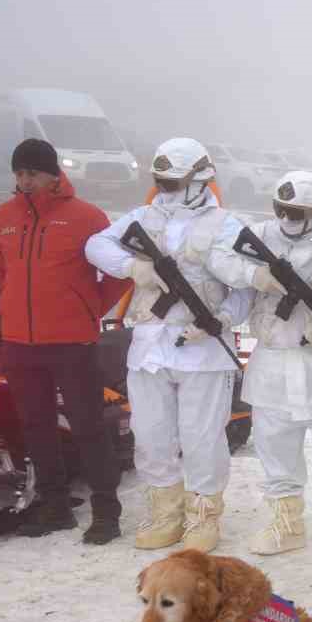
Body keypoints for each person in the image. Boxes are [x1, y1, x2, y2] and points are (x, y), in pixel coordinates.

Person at [85, 137, 250, 552]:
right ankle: (165, 513)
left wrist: (223, 320)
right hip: (150, 345)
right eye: (161, 181)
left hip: (203, 348)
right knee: (150, 433)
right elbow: (95, 245)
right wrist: (133, 267)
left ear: (200, 180)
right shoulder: (142, 217)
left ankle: (203, 516)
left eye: (173, 183)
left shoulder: (226, 225)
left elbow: (246, 287)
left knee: (202, 437)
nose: (165, 190)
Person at [209, 170, 312, 563]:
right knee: (274, 445)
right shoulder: (261, 234)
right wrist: (255, 274)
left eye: (297, 212)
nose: (287, 219)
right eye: (281, 209)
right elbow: (218, 258)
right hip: (273, 359)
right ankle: (287, 523)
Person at [0, 137, 122, 542]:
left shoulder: (87, 217)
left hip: (72, 342)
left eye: (34, 173)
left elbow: (119, 271)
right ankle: (55, 506)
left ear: (54, 173)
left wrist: (89, 307)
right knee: (36, 426)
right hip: (19, 342)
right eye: (20, 173)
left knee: (88, 426)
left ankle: (106, 511)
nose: (26, 181)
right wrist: (16, 304)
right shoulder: (2, 217)